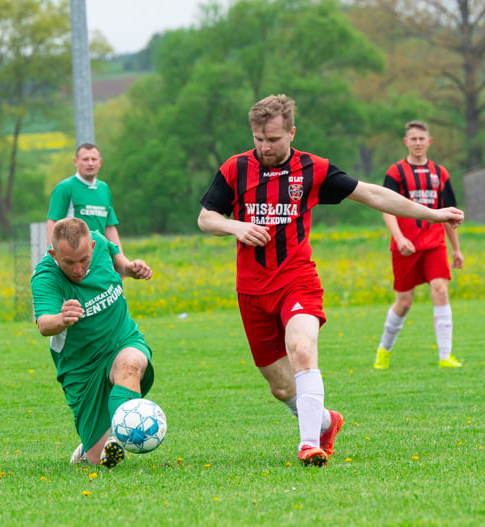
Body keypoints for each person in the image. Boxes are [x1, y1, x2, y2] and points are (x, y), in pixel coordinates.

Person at [197, 95, 464, 467]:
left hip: (297, 279)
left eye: (273, 139)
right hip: (252, 289)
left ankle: (309, 446)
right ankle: (325, 422)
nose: (264, 147)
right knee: (280, 387)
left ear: (292, 132)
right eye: (258, 138)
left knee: (303, 350)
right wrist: (234, 225)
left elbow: (372, 193)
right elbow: (206, 218)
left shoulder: (312, 169)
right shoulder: (235, 169)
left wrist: (431, 214)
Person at [31, 217, 153, 468]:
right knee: (101, 461)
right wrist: (62, 318)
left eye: (84, 260)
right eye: (69, 262)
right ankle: (92, 447)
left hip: (122, 340)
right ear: (54, 253)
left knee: (130, 365)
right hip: (82, 369)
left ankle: (120, 435)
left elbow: (117, 261)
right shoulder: (45, 276)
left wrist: (130, 268)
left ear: (93, 247)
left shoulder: (99, 242)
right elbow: (44, 324)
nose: (78, 269)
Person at [373, 120, 464, 370]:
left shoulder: (440, 173)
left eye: (422, 139)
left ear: (429, 141)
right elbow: (386, 208)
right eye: (413, 139)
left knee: (440, 290)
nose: (417, 143)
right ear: (406, 142)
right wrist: (400, 238)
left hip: (435, 243)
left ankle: (445, 356)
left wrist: (456, 249)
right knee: (404, 302)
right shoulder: (395, 172)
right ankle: (384, 350)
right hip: (406, 245)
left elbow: (449, 215)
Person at [46, 143, 122, 251]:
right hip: (74, 256)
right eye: (85, 159)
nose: (90, 163)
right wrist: (52, 254)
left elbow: (109, 227)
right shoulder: (65, 187)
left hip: (99, 256)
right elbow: (52, 222)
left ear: (100, 162)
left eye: (94, 159)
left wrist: (120, 257)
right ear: (76, 162)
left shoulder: (104, 188)